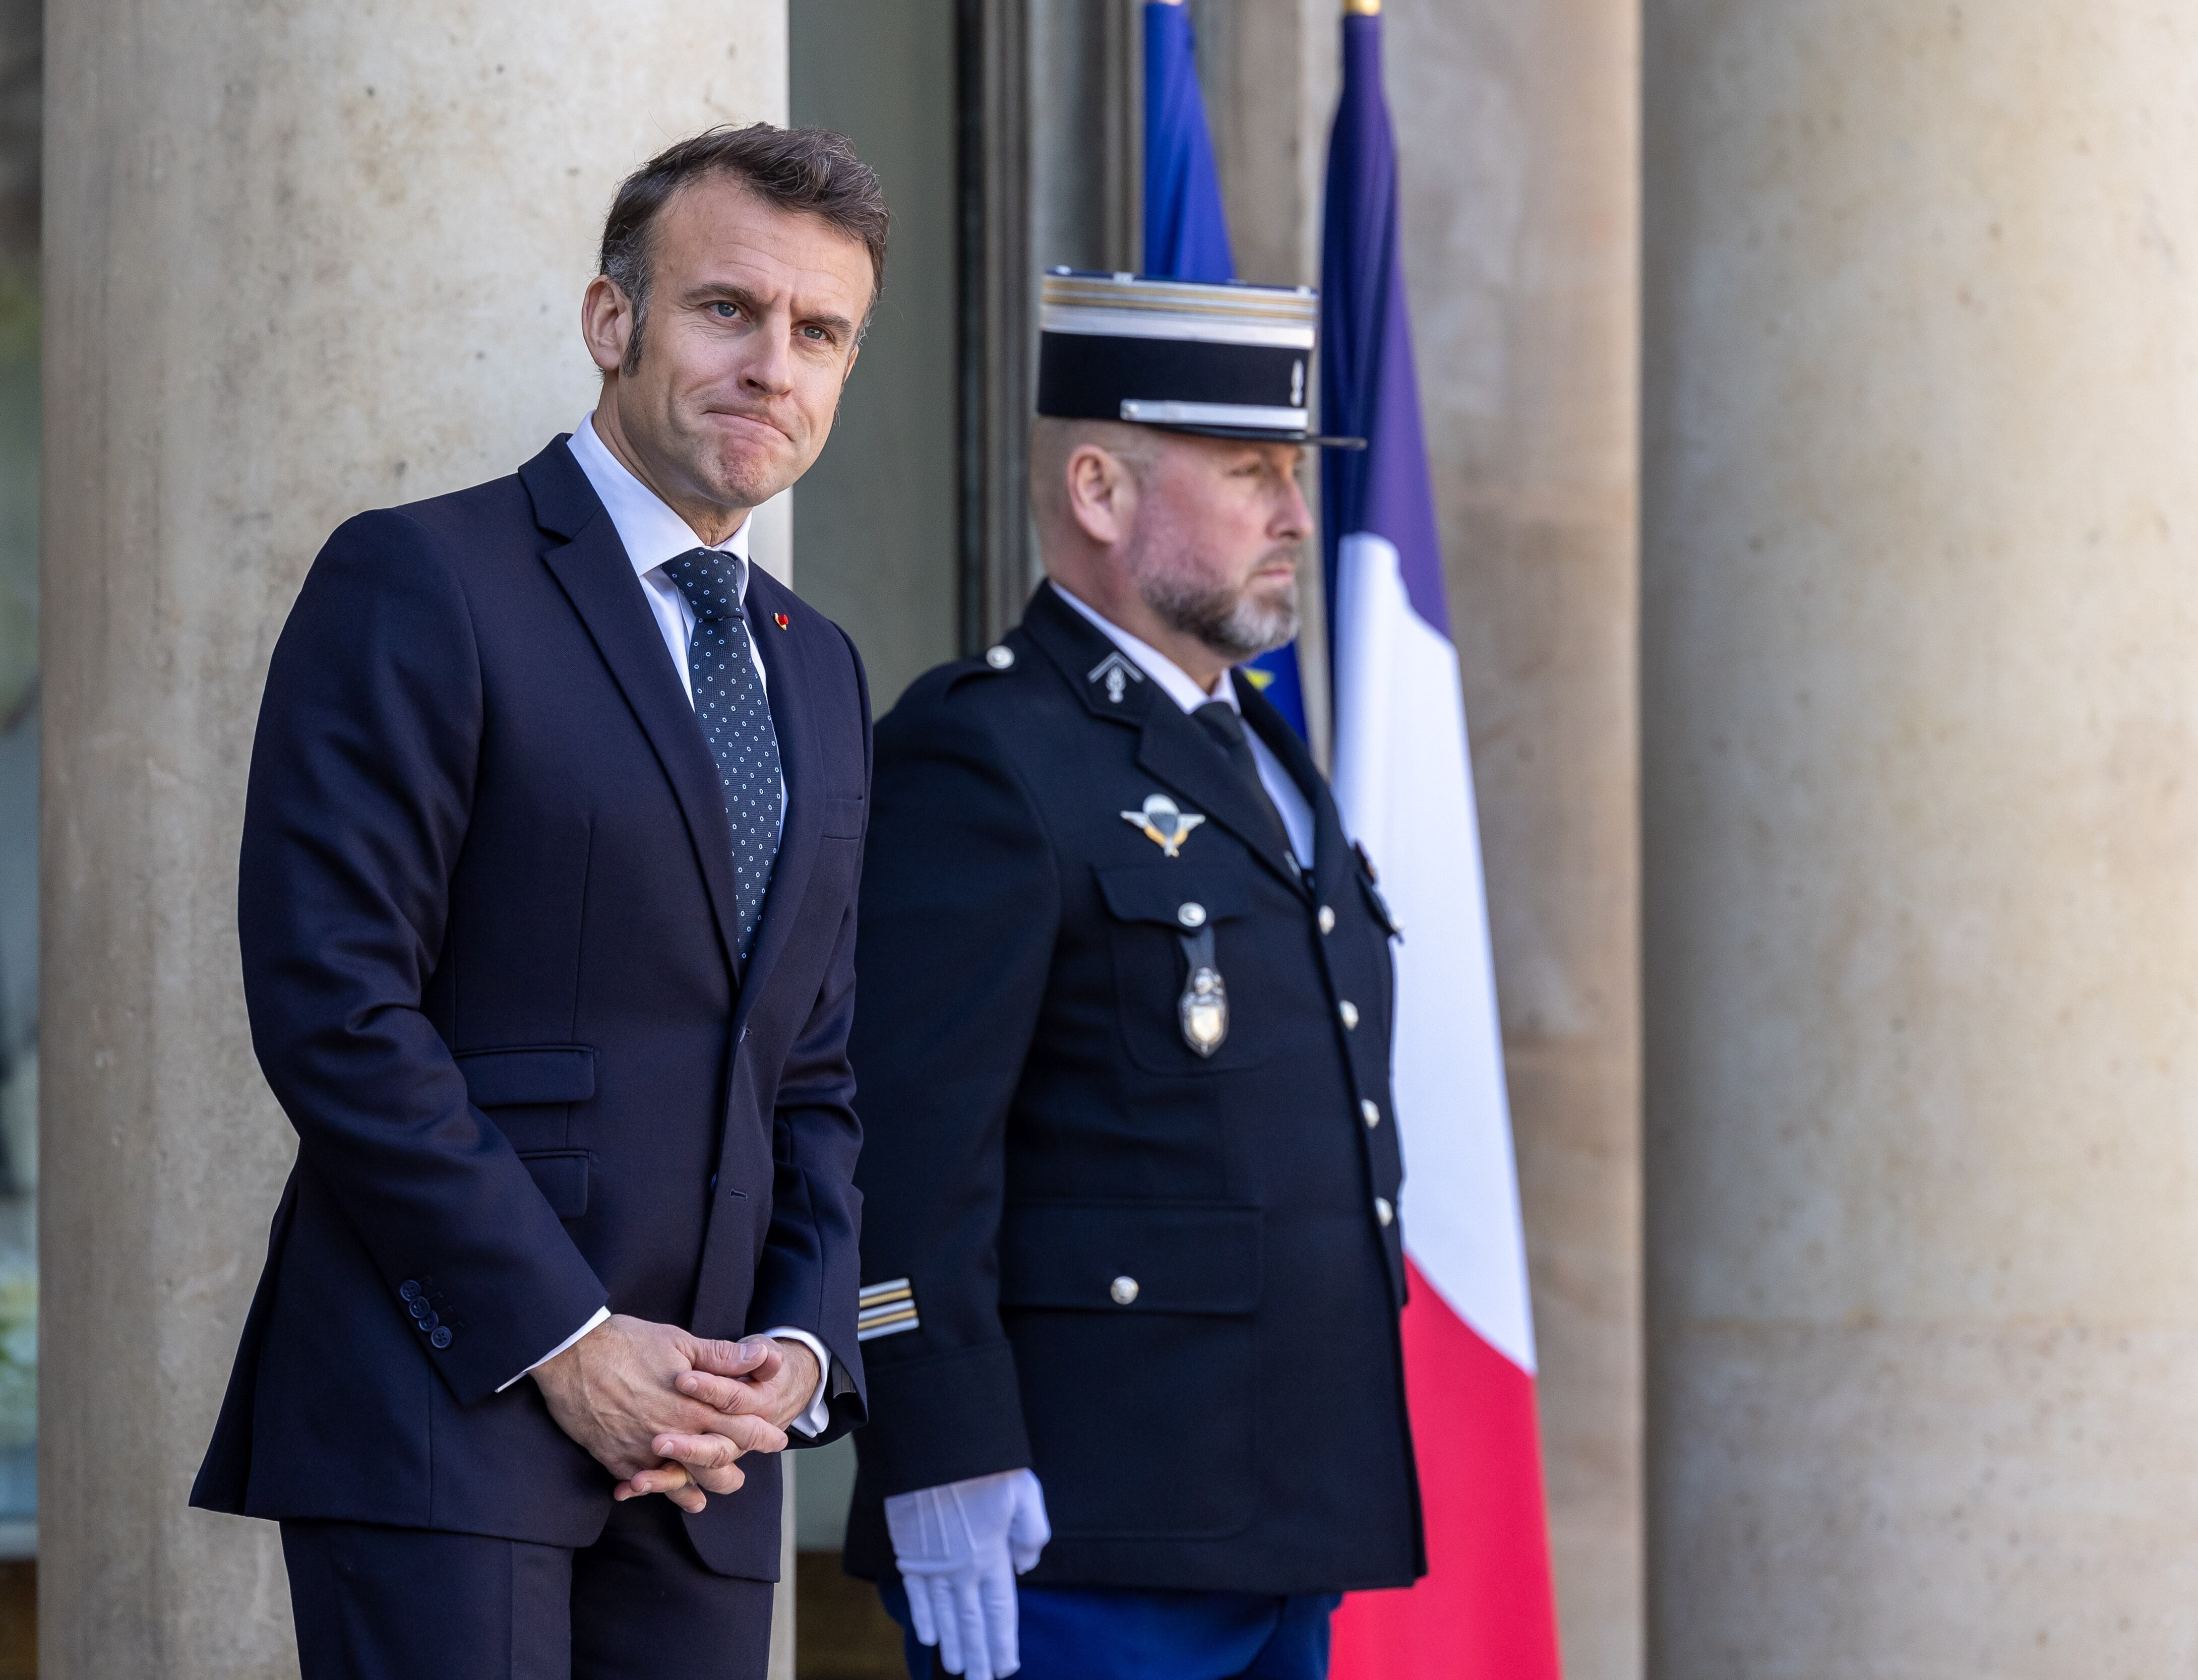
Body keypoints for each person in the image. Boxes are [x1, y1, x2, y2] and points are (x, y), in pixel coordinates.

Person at [190, 125, 886, 1680]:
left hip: (705, 1461)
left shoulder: (819, 667)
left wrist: (799, 1346)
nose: (772, 365)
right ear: (611, 320)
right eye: (727, 309)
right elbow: (336, 1008)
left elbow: (814, 1072)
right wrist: (567, 1342)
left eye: (820, 332)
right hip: (448, 1421)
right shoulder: (423, 580)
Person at [840, 270, 1423, 1680]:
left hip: (1280, 1514)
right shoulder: (986, 750)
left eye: (1296, 474)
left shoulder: (1255, 747)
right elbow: (901, 1146)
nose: (1295, 516)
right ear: (1099, 491)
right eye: (1250, 472)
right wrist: (940, 1442)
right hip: (1076, 1528)